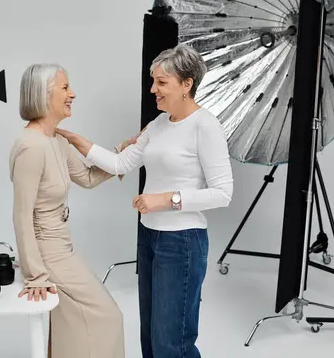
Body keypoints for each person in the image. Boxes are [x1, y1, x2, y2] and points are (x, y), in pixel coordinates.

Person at [56, 44, 234, 358]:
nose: (153, 89)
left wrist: (168, 199)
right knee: (151, 339)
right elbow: (120, 164)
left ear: (186, 84)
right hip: (150, 237)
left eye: (162, 82)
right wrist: (78, 141)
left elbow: (223, 193)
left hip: (182, 242)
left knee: (171, 343)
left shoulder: (206, 127)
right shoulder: (157, 125)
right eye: (153, 81)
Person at [9, 63, 129, 358]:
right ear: (43, 94)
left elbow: (88, 177)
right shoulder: (31, 146)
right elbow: (21, 215)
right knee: (108, 316)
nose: (72, 94)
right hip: (47, 255)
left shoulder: (56, 140)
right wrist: (36, 275)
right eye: (65, 88)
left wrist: (123, 154)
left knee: (73, 322)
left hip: (63, 248)